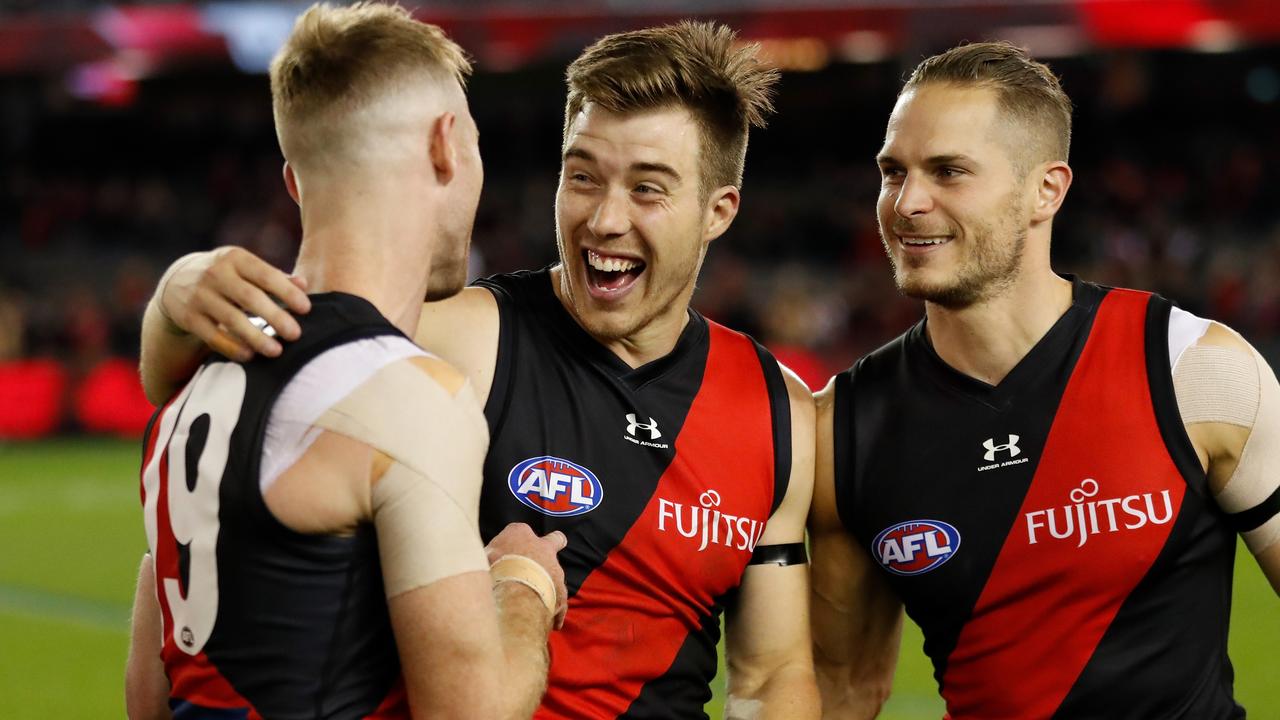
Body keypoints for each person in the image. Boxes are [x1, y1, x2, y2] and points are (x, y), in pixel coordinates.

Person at [136, 20, 819, 720]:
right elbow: (237, 373)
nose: (605, 219)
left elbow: (771, 677)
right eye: (581, 176)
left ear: (718, 211)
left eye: (647, 189)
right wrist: (176, 297)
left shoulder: (775, 412)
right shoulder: (448, 342)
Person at [809, 41, 1280, 719]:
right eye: (893, 172)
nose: (907, 202)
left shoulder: (1193, 370)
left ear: (1046, 190)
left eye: (948, 171)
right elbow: (842, 691)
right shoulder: (844, 427)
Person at [124, 4, 567, 718]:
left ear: (295, 183)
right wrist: (522, 582)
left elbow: (149, 698)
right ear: (447, 146)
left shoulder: (184, 398)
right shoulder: (409, 399)